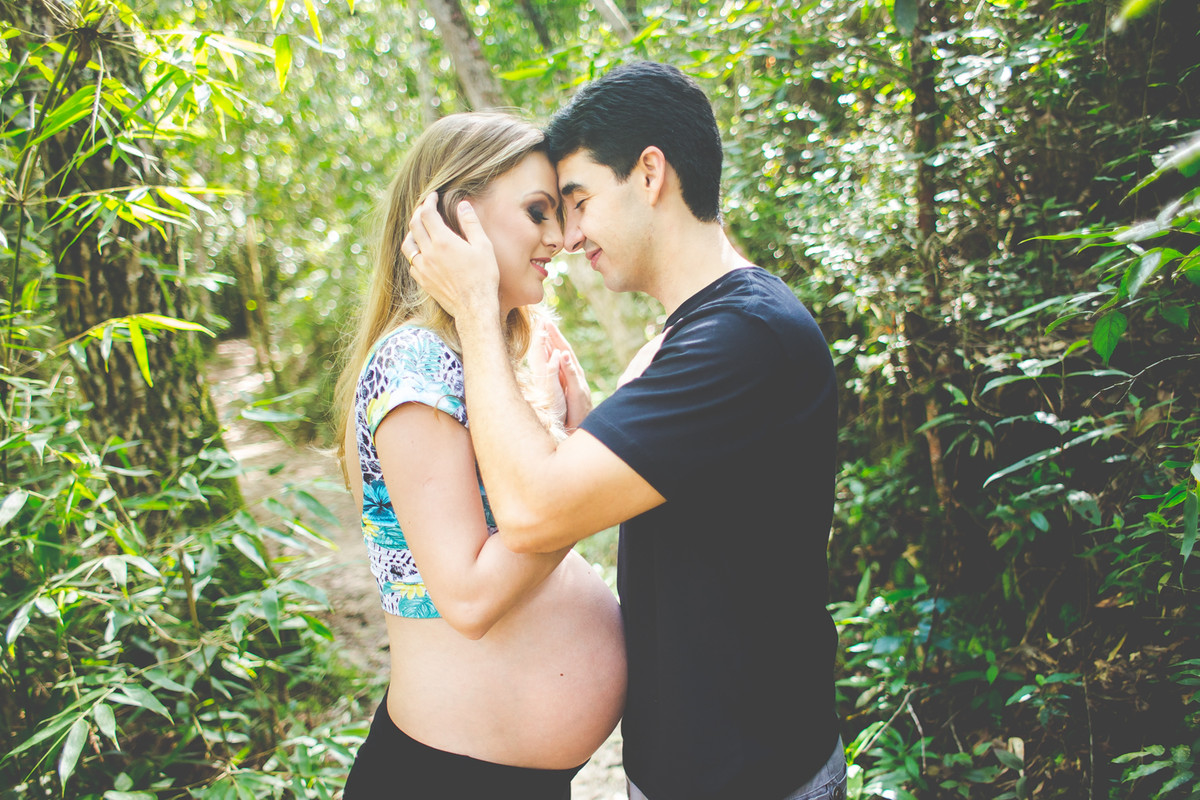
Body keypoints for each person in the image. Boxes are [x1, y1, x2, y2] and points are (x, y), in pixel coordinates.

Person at [404, 63, 845, 800]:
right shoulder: (703, 332)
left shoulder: (741, 339)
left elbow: (534, 510)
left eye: (578, 202)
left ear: (649, 175)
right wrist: (583, 440)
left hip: (751, 777)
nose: (569, 236)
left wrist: (478, 309)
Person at [333, 112, 626, 800]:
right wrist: (576, 468)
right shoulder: (414, 365)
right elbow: (467, 597)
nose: (560, 237)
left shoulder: (485, 357)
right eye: (537, 211)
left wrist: (573, 453)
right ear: (454, 219)